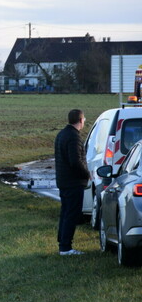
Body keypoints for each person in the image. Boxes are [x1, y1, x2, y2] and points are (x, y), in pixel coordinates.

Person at [54, 109, 91, 256]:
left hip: (63, 181)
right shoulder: (74, 137)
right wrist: (87, 175)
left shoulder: (61, 134)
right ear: (81, 120)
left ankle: (62, 242)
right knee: (72, 214)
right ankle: (66, 247)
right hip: (73, 182)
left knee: (65, 213)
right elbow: (75, 161)